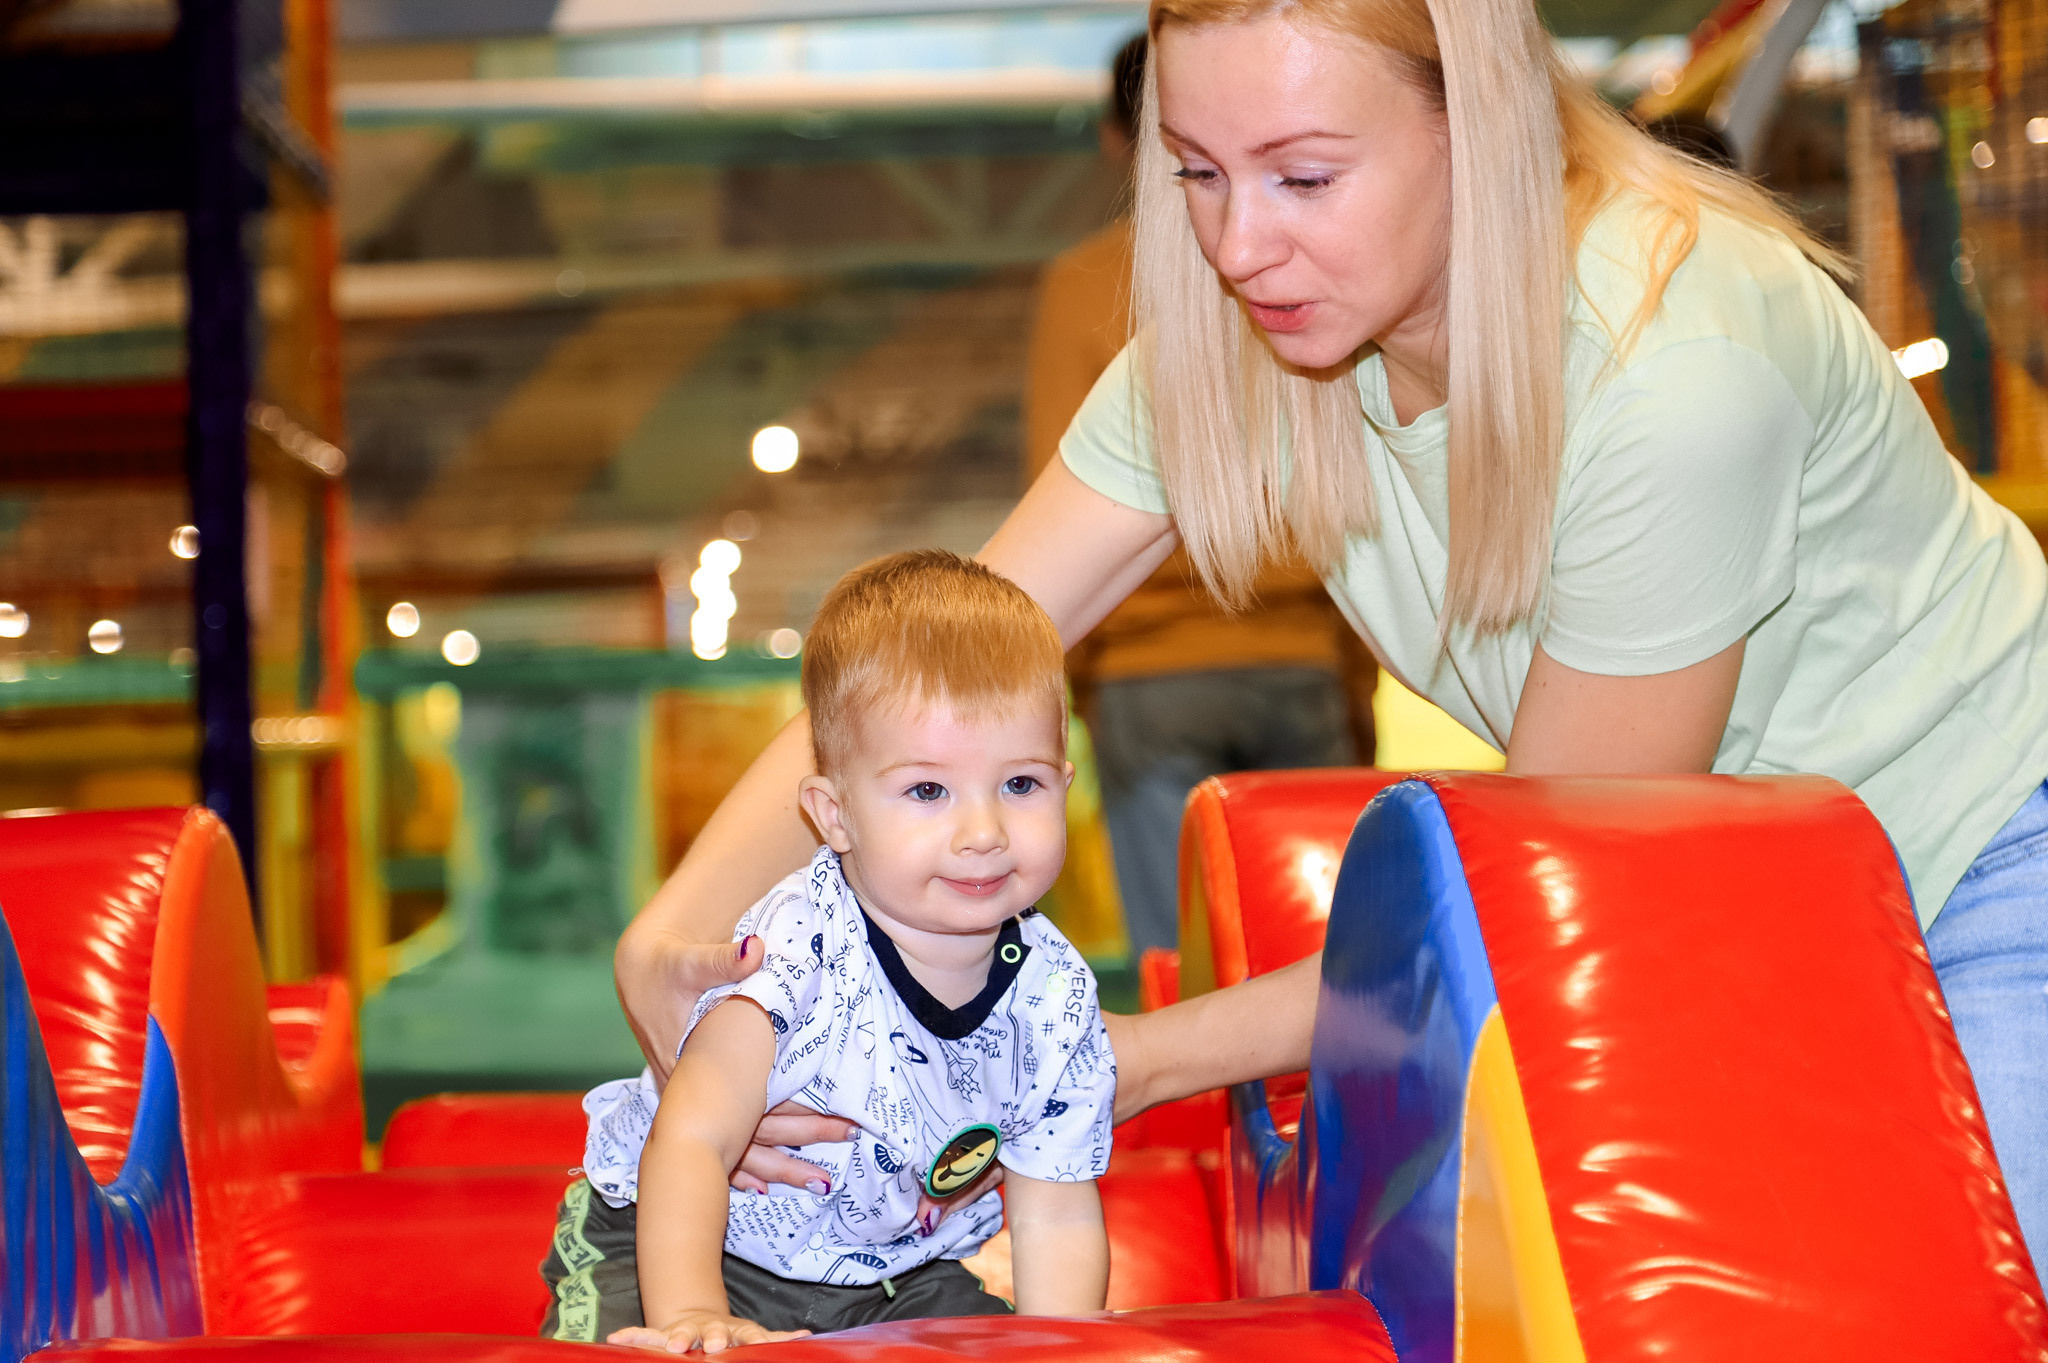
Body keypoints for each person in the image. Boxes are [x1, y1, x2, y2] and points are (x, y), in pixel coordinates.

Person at [613, 0, 2048, 1261]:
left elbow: (1539, 888)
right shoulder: (1248, 338)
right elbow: (927, 666)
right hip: (1752, 885)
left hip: (1987, 838)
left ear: (1475, 127)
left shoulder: (1678, 368)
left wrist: (1112, 1058)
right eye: (1196, 174)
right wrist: (680, 928)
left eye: (1304, 175)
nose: (1240, 244)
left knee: (1971, 1288)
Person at [542, 551, 1114, 1352]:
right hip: (680, 1242)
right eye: (927, 791)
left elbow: (1053, 1207)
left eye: (1020, 785)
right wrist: (689, 1313)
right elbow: (695, 1138)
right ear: (834, 815)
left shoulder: (1057, 997)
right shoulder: (797, 952)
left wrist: (1064, 1344)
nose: (983, 832)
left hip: (889, 1274)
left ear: (1065, 781)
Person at [1026, 32, 1366, 957]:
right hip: (1301, 646)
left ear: (1117, 139)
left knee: (1183, 950)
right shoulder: (1317, 268)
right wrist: (1351, 672)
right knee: (1337, 950)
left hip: (1150, 665)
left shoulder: (1083, 285)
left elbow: (1053, 501)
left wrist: (1081, 689)